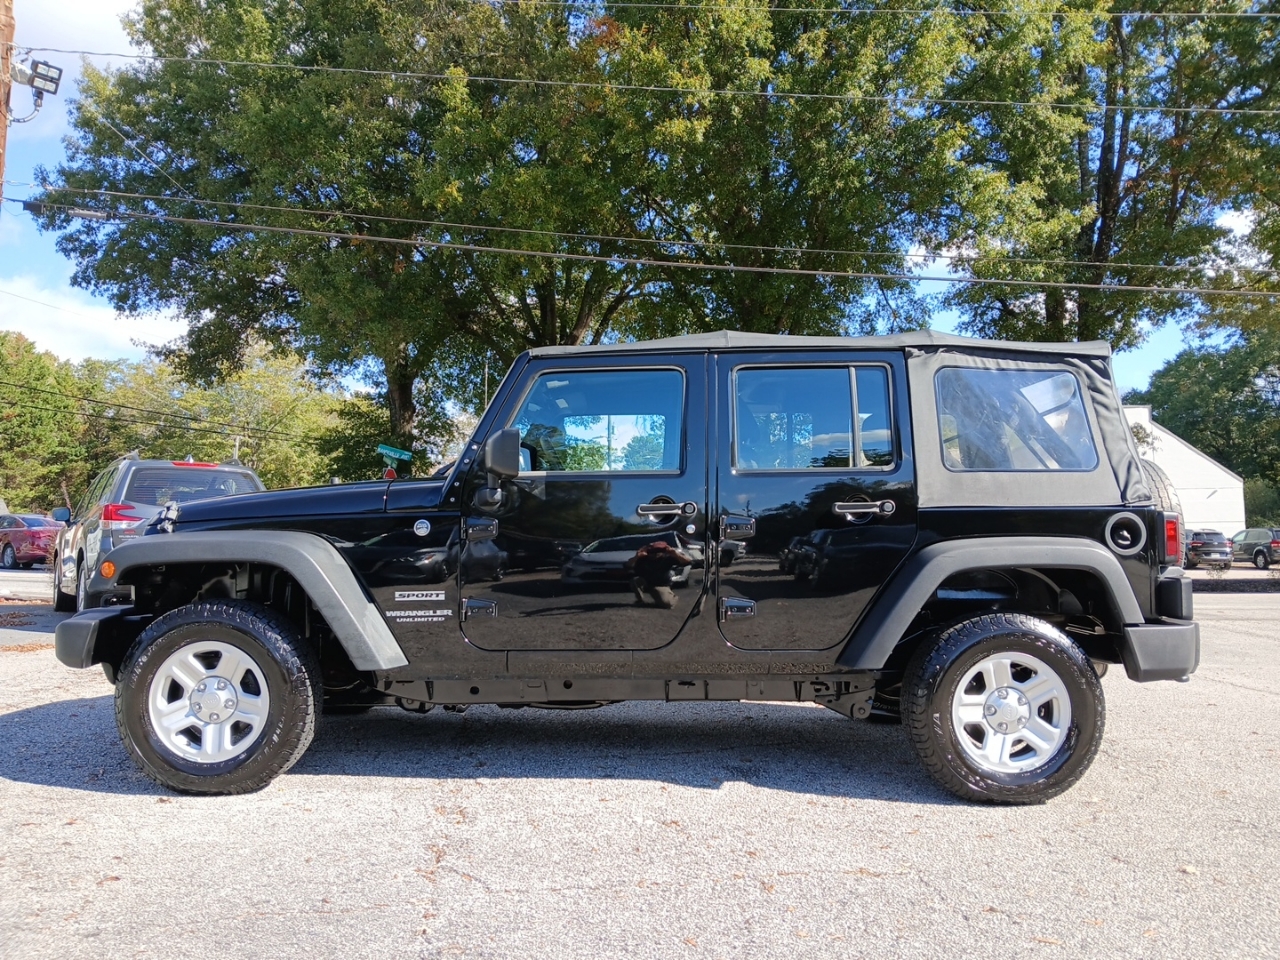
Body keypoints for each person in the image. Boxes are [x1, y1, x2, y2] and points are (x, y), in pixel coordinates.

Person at [628, 540, 693, 609]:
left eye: (658, 551)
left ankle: (671, 597)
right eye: (652, 551)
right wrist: (636, 556)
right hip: (646, 582)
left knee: (667, 604)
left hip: (661, 585)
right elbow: (628, 565)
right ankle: (640, 600)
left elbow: (688, 562)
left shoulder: (667, 558)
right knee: (635, 580)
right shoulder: (643, 558)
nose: (655, 553)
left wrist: (674, 553)